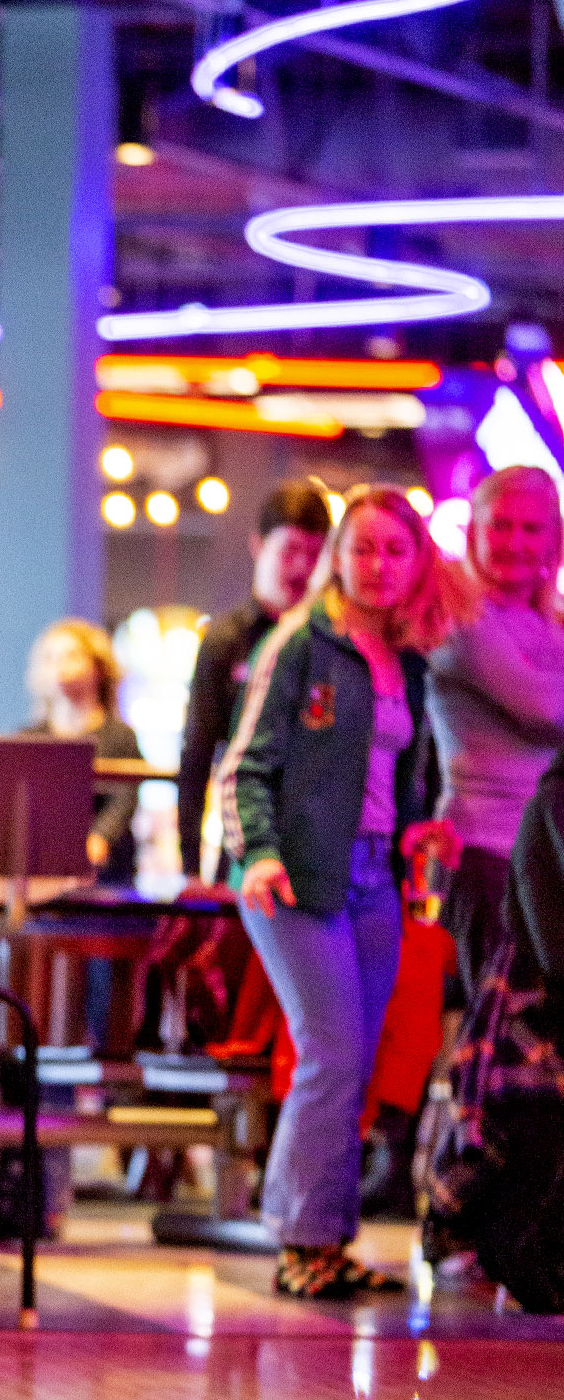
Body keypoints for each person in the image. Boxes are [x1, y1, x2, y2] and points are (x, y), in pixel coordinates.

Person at [217, 484, 462, 1298]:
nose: (378, 565)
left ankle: (327, 1238)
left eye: (395, 550)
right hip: (294, 876)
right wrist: (255, 852)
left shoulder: (410, 656)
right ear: (336, 557)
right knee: (327, 1052)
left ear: (416, 561)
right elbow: (243, 762)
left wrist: (421, 829)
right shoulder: (302, 643)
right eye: (362, 548)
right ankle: (295, 1238)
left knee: (355, 1060)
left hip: (372, 879)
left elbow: (404, 772)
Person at [426, 746, 564, 1306]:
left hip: (539, 1013)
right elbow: (554, 953)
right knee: (526, 1148)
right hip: (535, 1021)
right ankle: (491, 1241)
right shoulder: (558, 798)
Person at [427, 464, 564, 1003]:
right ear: (474, 532)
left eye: (532, 529)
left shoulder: (547, 618)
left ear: (554, 539)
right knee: (490, 1040)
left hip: (541, 855)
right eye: (501, 526)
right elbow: (544, 709)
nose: (515, 542)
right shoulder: (456, 610)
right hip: (483, 854)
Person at [176, 479, 334, 884]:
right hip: (246, 846)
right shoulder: (226, 640)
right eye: (290, 550)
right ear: (258, 546)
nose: (302, 568)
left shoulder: (333, 642)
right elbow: (196, 757)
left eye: (314, 554)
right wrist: (191, 871)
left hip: (317, 849)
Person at [23, 618, 141, 881]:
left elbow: (124, 799)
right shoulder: (29, 737)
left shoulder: (121, 737)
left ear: (98, 666)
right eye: (50, 658)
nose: (60, 666)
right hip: (42, 876)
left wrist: (99, 839)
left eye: (71, 656)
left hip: (107, 876)